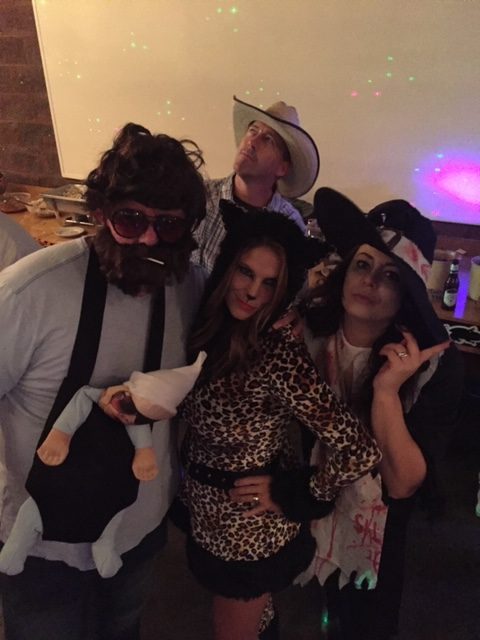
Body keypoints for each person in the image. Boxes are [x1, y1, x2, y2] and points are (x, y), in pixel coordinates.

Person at [0, 123, 207, 640]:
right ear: (98, 214)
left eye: (168, 225)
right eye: (130, 220)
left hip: (134, 531)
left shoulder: (188, 288)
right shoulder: (31, 292)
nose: (149, 239)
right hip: (38, 544)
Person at [173, 199, 381, 640]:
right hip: (206, 514)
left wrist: (297, 492)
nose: (253, 292)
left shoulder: (278, 355)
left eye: (270, 284)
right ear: (227, 266)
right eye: (245, 272)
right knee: (259, 624)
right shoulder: (210, 330)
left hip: (247, 533)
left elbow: (360, 449)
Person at [297, 188, 464, 640]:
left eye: (390, 275)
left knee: (366, 622)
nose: (369, 281)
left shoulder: (433, 368)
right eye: (362, 265)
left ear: (407, 293)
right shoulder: (305, 337)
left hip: (379, 525)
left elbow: (403, 483)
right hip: (299, 504)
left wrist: (387, 393)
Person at [0, 352, 206, 579]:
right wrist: (61, 434)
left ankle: (103, 545)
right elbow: (80, 401)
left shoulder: (179, 335)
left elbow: (138, 428)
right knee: (36, 509)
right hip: (45, 539)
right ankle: (18, 545)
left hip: (137, 529)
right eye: (124, 403)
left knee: (111, 516)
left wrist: (144, 451)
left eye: (140, 418)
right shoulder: (88, 396)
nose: (126, 418)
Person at [192, 95, 320, 272]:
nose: (251, 141)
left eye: (268, 139)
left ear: (282, 168)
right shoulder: (199, 196)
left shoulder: (290, 226)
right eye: (253, 131)